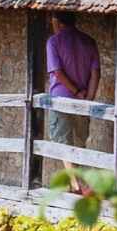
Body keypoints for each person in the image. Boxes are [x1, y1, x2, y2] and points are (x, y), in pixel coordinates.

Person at [45, 11, 100, 173]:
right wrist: (88, 98)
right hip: (82, 101)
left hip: (61, 101)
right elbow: (96, 73)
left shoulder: (53, 42)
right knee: (79, 143)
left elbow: (58, 72)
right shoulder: (89, 41)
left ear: (56, 22)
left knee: (63, 143)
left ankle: (75, 182)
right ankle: (77, 181)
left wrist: (75, 92)